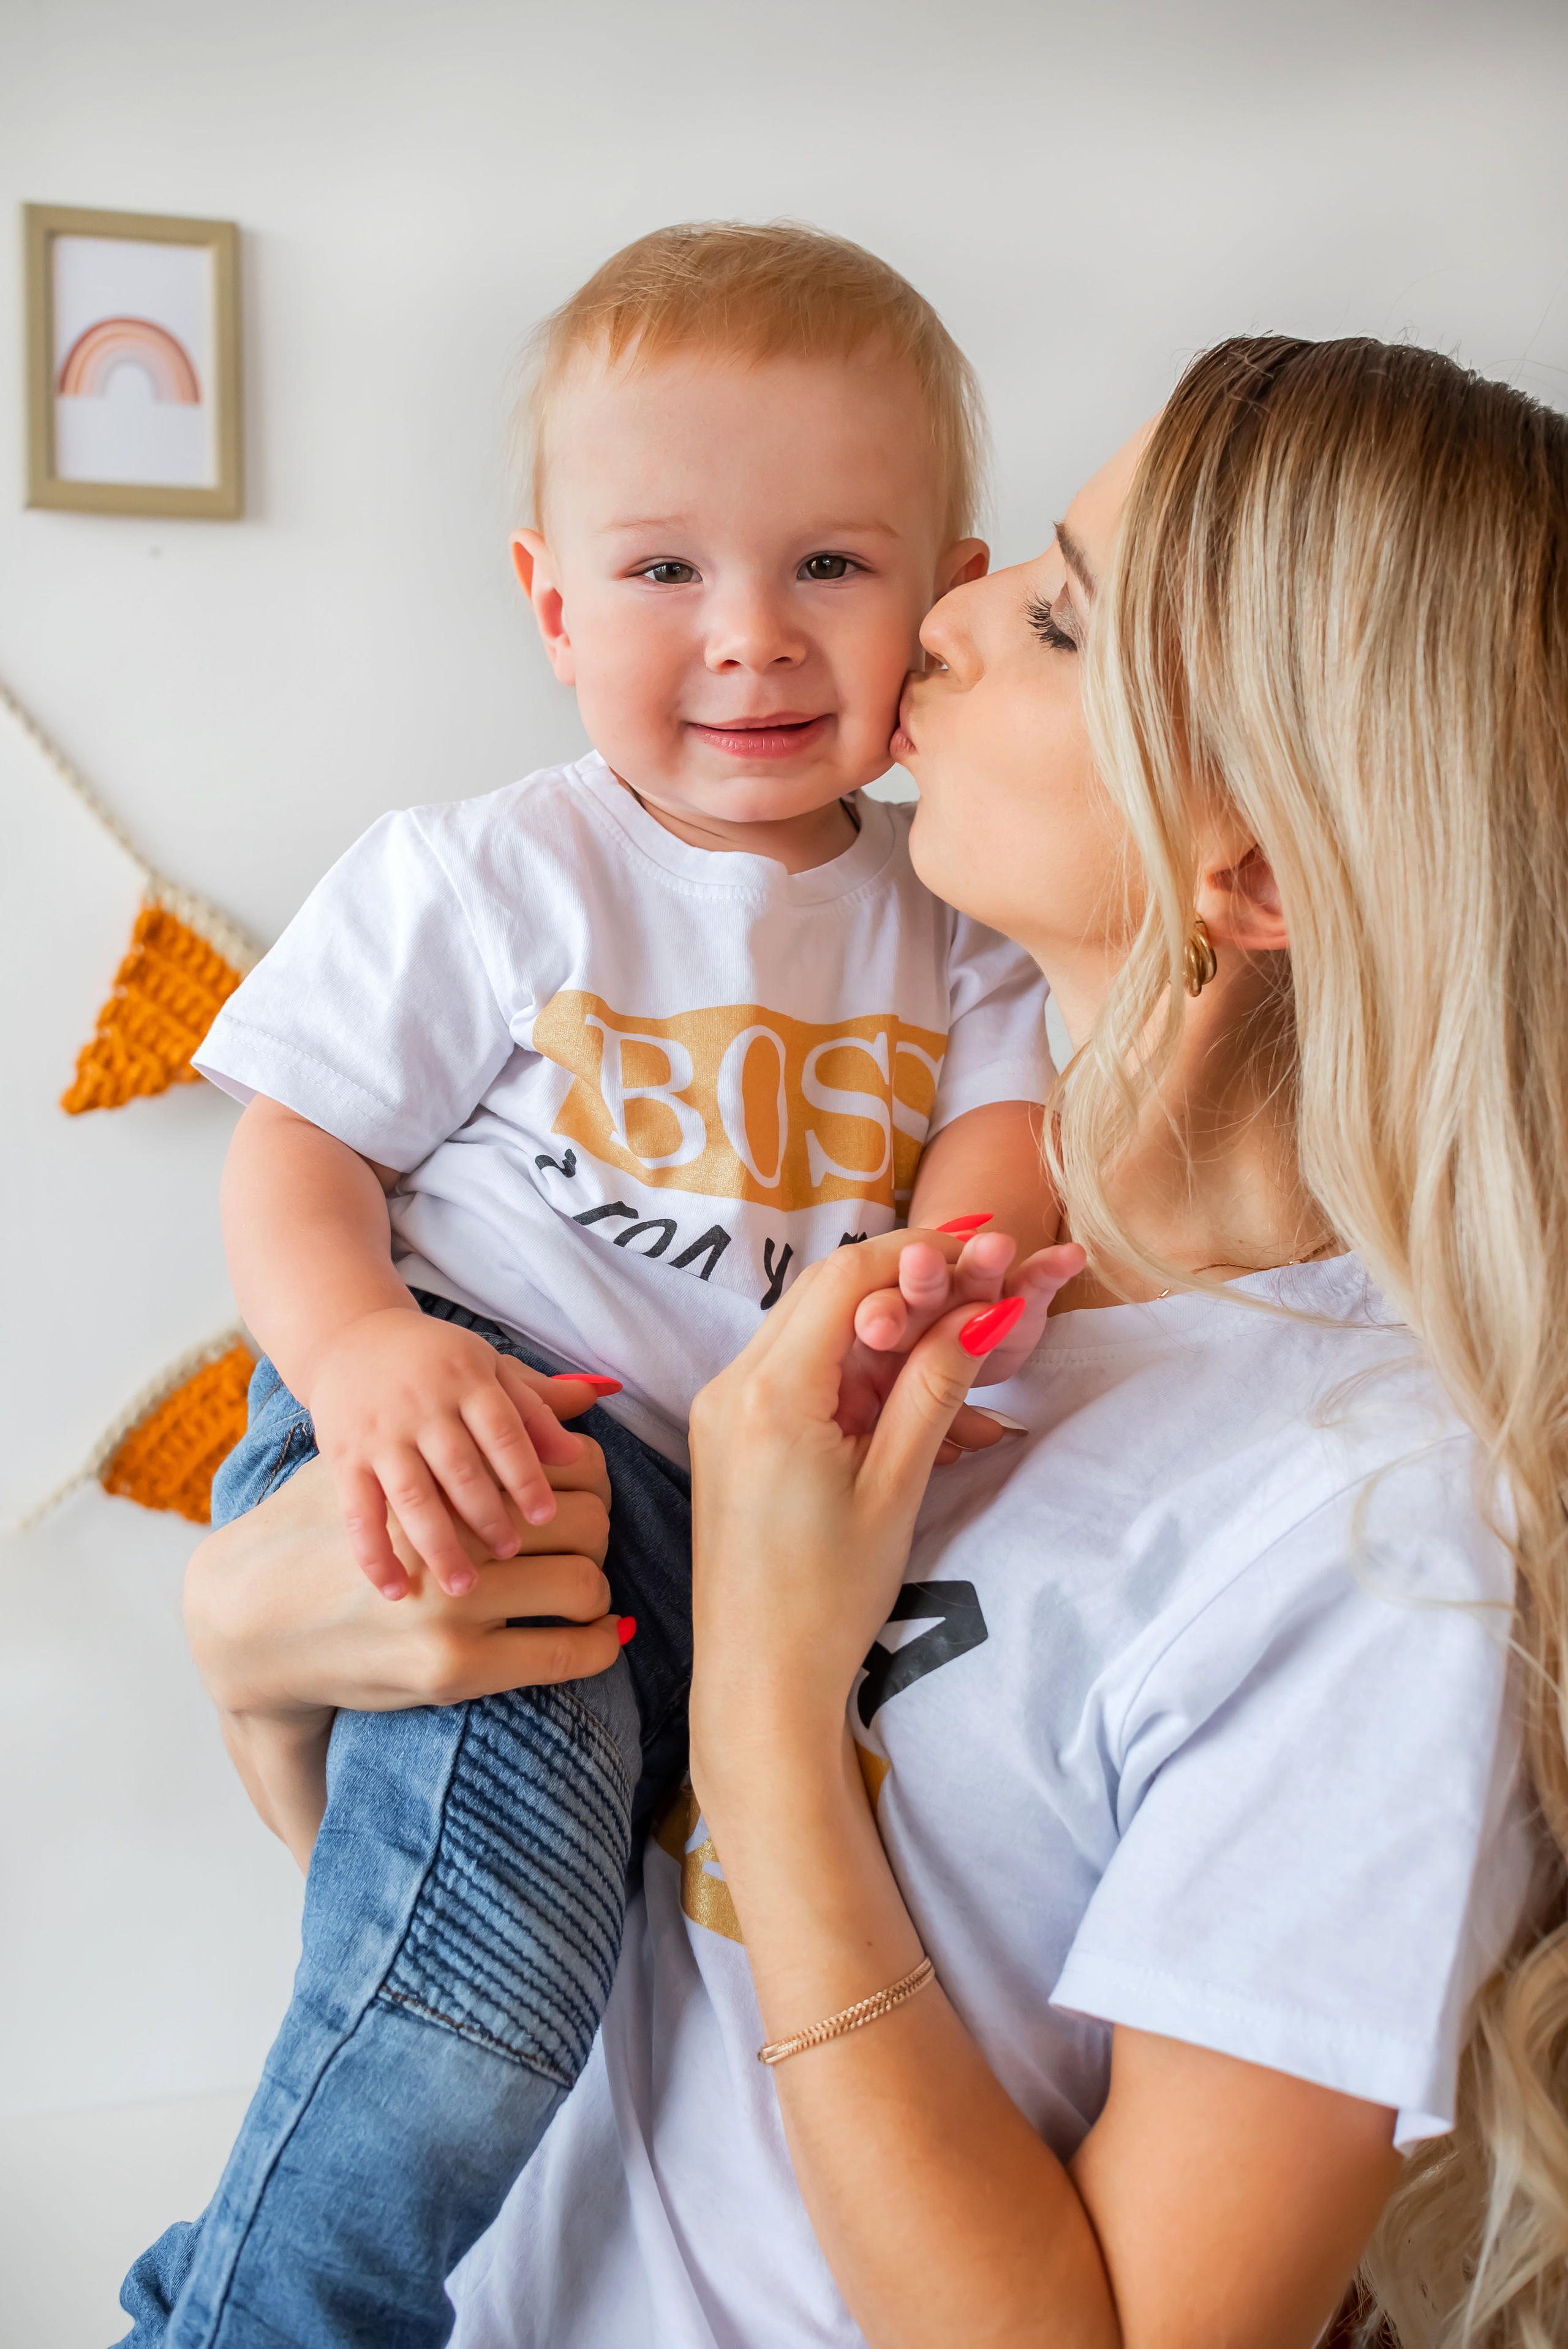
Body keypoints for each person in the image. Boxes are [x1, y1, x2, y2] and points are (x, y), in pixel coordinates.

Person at [157, 332, 1568, 2349]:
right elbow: (530, 1932)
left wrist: (766, 1705)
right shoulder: (863, 1238)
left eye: (1062, 618)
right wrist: (255, 1665)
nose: (948, 618)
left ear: (1248, 867)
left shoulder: (1379, 1536)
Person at [118, 222, 1068, 2347]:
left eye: (831, 565)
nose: (751, 636)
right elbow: (297, 1157)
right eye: (664, 570)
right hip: (493, 1431)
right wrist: (364, 1354)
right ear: (552, 602)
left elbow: (995, 1156)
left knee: (588, 1972)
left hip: (729, 1515)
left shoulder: (960, 921)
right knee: (471, 1987)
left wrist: (942, 1275)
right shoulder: (485, 873)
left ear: (942, 605)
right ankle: (259, 2321)